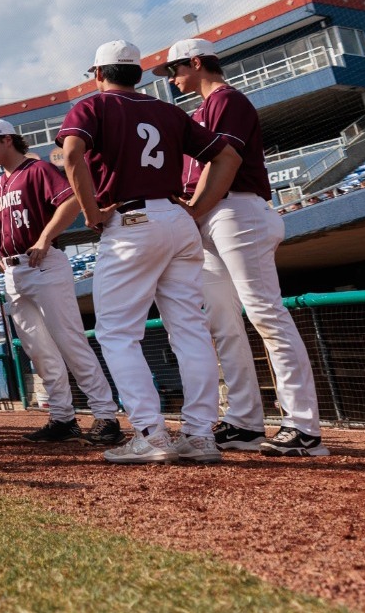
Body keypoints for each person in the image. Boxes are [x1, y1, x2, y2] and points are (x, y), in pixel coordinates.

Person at [59, 40, 240, 465]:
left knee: (118, 333)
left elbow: (71, 153)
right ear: (137, 75)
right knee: (191, 330)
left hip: (130, 222)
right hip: (176, 220)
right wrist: (197, 207)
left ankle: (150, 434)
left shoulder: (93, 106)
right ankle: (199, 436)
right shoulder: (169, 110)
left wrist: (90, 212)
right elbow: (228, 155)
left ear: (99, 74)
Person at [163, 39, 328, 457]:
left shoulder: (227, 99)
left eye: (175, 69)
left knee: (265, 313)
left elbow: (227, 160)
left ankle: (302, 426)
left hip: (238, 209)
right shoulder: (198, 112)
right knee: (222, 321)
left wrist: (195, 208)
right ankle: (244, 423)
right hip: (210, 219)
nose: (172, 78)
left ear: (197, 62)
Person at [0, 118, 122, 445]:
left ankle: (106, 415)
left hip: (43, 263)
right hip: (14, 270)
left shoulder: (37, 170)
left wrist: (45, 237)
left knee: (69, 339)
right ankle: (63, 417)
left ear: (8, 139)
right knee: (38, 349)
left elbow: (70, 201)